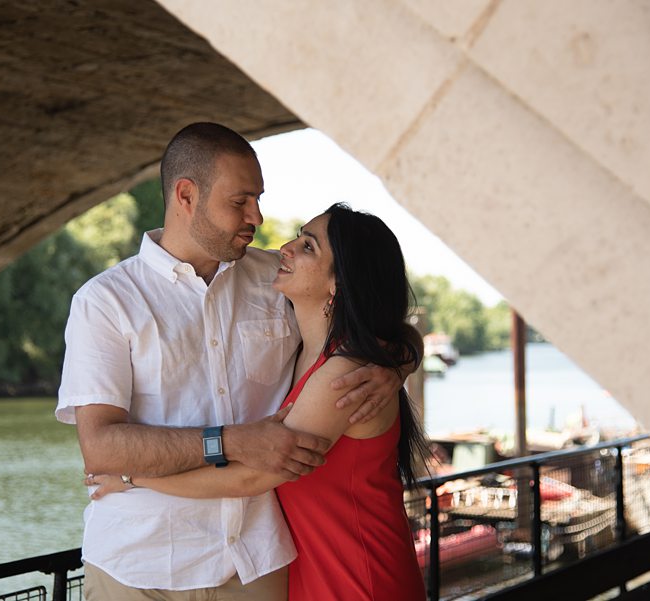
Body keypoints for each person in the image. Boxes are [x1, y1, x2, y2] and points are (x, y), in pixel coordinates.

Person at [56, 123, 419, 600]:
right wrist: (231, 441)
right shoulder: (105, 302)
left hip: (258, 565)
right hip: (140, 567)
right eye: (239, 201)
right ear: (186, 195)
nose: (258, 217)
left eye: (258, 199)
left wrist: (398, 360)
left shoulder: (275, 278)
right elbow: (100, 447)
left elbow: (367, 312)